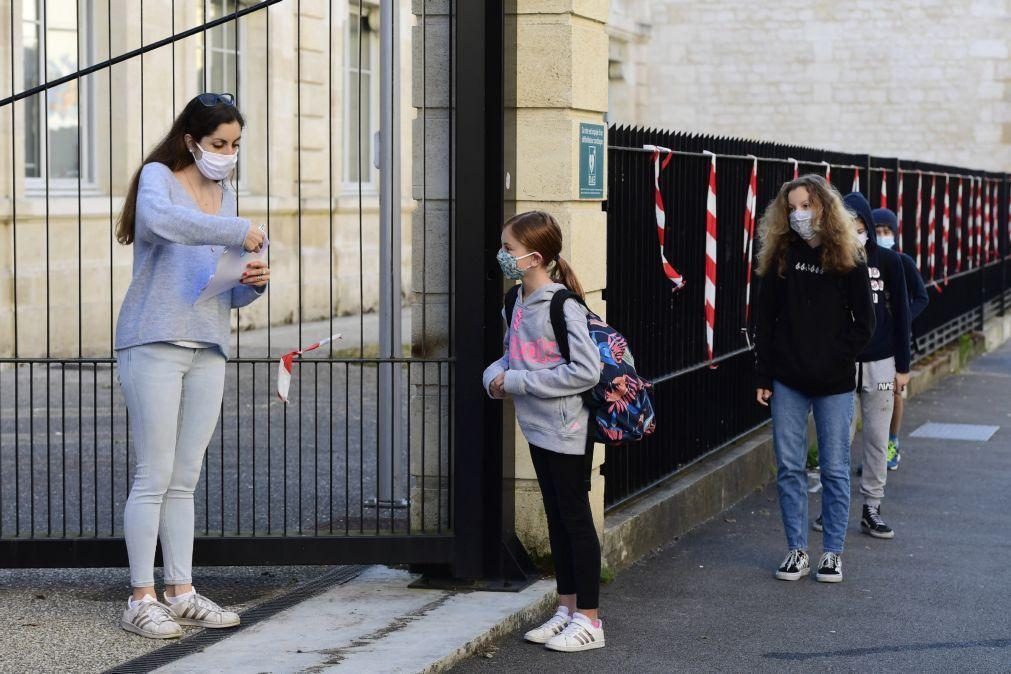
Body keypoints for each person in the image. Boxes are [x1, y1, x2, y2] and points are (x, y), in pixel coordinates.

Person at [114, 93, 268, 639]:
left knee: (185, 477)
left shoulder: (224, 194)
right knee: (153, 474)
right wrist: (235, 231)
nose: (227, 154)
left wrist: (252, 284)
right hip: (152, 338)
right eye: (218, 144)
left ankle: (181, 591)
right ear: (191, 141)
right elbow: (163, 223)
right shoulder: (158, 176)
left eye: (235, 145)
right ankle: (140, 598)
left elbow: (220, 289)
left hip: (207, 343)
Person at [482, 211, 604, 652]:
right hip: (537, 428)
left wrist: (516, 382)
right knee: (556, 519)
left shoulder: (562, 305)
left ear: (534, 258)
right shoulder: (514, 301)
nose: (502, 256)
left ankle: (590, 619)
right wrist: (493, 376)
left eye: (509, 250)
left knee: (575, 522)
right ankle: (566, 609)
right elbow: (512, 356)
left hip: (568, 429)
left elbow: (586, 371)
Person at [754, 175, 874, 584]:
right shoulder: (782, 253)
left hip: (834, 382)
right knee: (788, 467)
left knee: (835, 469)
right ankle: (797, 550)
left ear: (823, 206)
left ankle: (833, 553)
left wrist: (836, 357)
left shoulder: (848, 255)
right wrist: (765, 372)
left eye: (806, 205)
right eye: (792, 207)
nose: (798, 214)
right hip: (788, 378)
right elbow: (764, 318)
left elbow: (866, 323)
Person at [833, 193, 911, 540]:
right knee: (839, 437)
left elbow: (903, 313)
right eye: (851, 225)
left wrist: (903, 366)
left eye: (862, 225)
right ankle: (833, 507)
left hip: (881, 365)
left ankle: (872, 507)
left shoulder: (891, 262)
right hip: (843, 364)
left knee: (878, 437)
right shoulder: (834, 259)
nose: (858, 231)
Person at [872, 207, 929, 470]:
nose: (883, 235)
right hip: (873, 342)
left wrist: (903, 319)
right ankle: (877, 451)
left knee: (893, 391)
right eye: (878, 231)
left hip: (897, 344)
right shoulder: (868, 262)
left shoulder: (903, 261)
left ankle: (892, 443)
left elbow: (922, 297)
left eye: (887, 231)